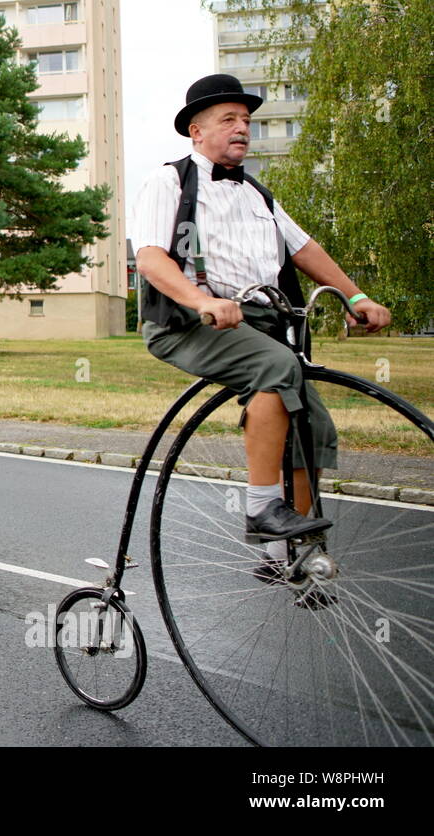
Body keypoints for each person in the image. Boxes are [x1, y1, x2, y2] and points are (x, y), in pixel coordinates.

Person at [130, 73, 392, 556]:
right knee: (275, 369)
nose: (242, 129)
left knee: (313, 425)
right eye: (228, 119)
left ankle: (290, 554)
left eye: (246, 121)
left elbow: (305, 249)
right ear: (196, 131)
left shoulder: (257, 194)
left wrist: (356, 298)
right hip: (189, 324)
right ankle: (261, 508)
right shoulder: (169, 181)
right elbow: (149, 258)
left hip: (264, 323)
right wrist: (202, 300)